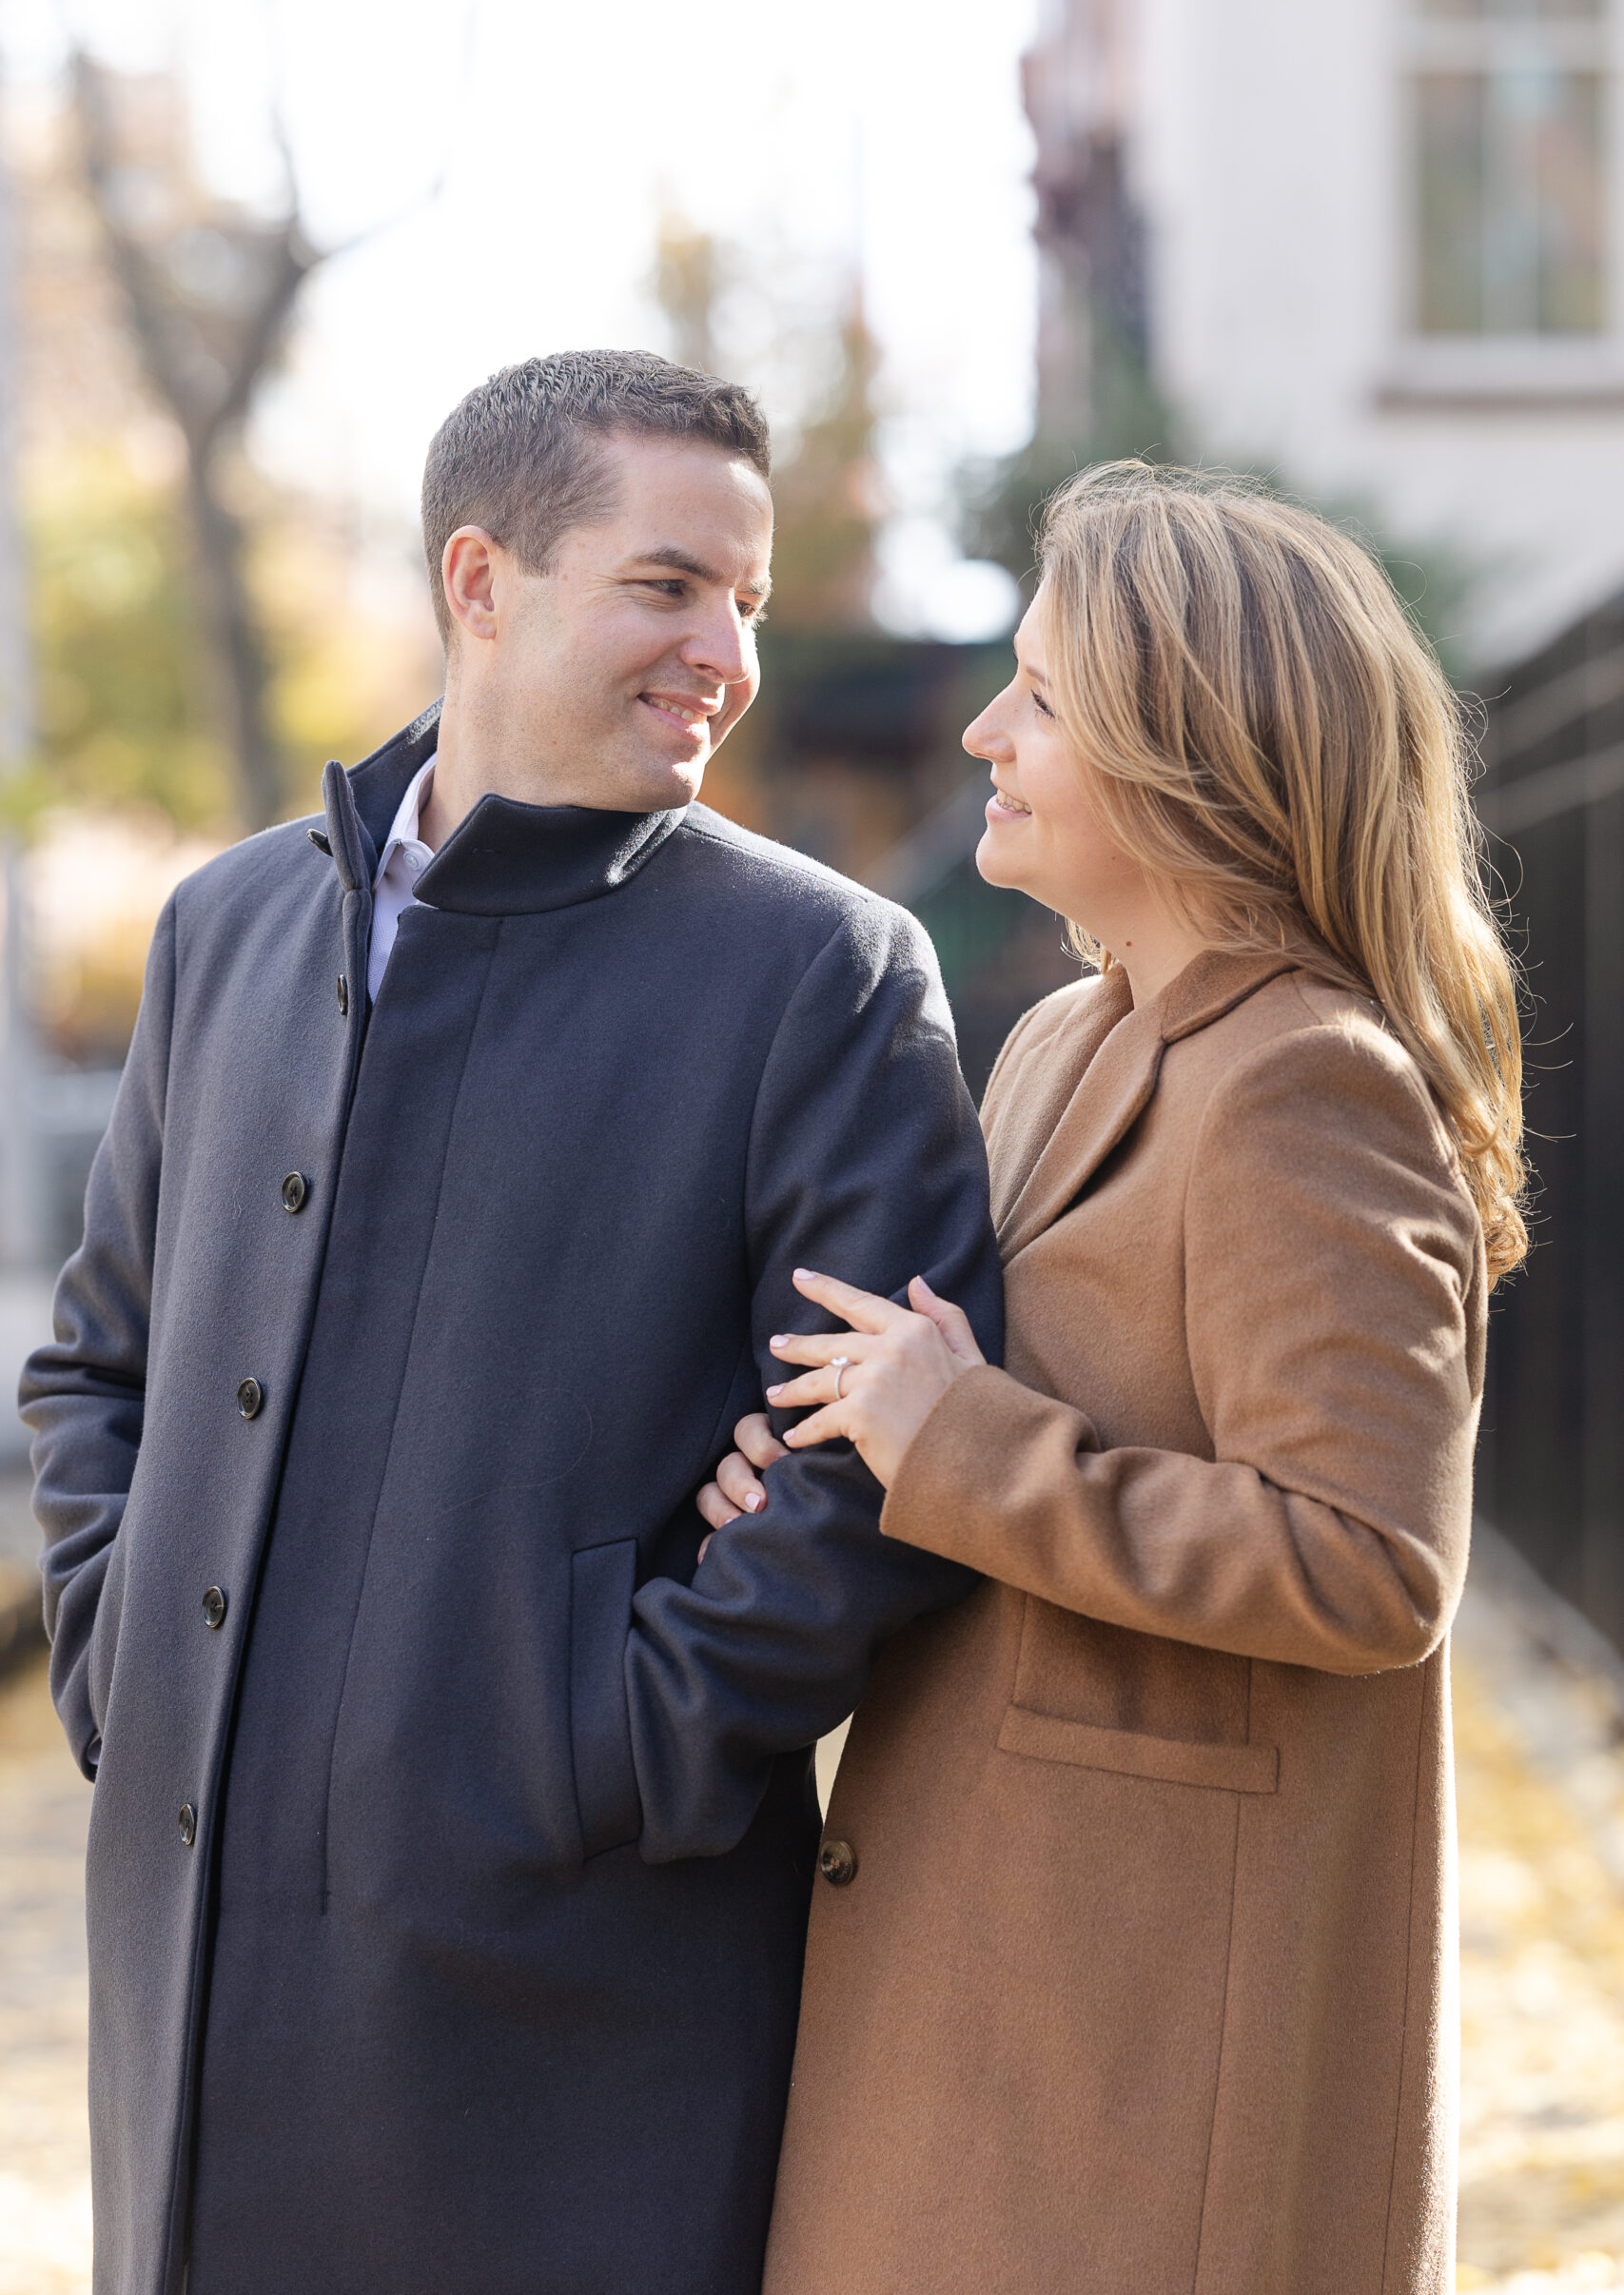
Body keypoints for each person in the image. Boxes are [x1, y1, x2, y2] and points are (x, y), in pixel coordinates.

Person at [22, 350, 1003, 2295]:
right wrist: (123, 1661)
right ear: (481, 580)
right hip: (189, 1955)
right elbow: (98, 1360)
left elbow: (866, 1470)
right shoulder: (227, 928)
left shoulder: (823, 970)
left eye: (744, 597)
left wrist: (608, 1748)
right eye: (667, 586)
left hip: (574, 1998)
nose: (725, 654)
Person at [699, 463, 1524, 2295]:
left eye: (1044, 699)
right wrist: (832, 1458)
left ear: (1191, 757)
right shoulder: (1064, 1039)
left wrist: (955, 1440)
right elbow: (974, 1418)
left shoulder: (1309, 1081)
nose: (984, 732)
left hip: (1150, 2046)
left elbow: (1374, 1559)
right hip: (997, 1966)